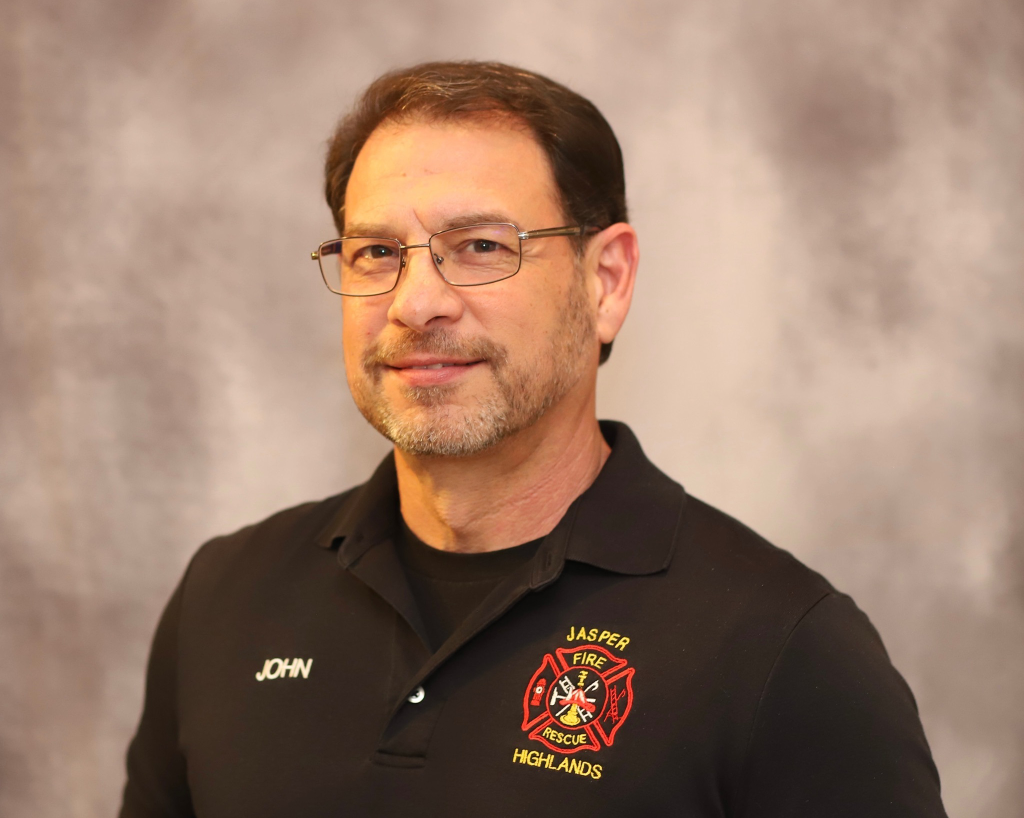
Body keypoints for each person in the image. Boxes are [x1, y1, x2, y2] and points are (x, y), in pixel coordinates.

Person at [119, 61, 947, 817]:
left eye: (480, 247)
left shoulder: (784, 651)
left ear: (606, 282)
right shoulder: (226, 597)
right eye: (376, 252)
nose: (415, 304)